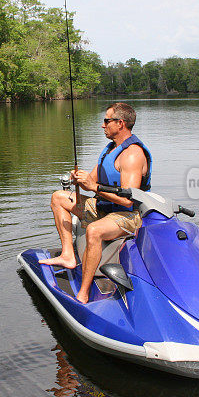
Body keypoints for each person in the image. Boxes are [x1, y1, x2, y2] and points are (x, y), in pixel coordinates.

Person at [39, 102, 152, 304]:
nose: (103, 125)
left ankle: (83, 292)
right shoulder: (111, 149)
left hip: (129, 216)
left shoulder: (132, 155)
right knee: (58, 198)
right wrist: (79, 179)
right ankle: (68, 255)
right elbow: (91, 180)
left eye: (106, 121)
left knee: (94, 231)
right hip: (103, 208)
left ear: (120, 123)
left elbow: (128, 201)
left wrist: (94, 187)